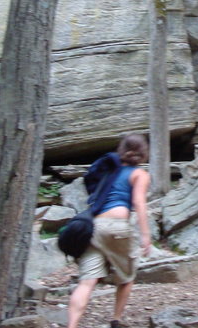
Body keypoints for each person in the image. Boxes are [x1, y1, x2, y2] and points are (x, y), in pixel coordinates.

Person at [68, 133, 152, 328]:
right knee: (126, 277)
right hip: (117, 227)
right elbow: (138, 202)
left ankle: (71, 325)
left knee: (87, 282)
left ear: (121, 149)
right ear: (143, 153)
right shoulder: (140, 174)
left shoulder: (109, 172)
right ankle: (116, 320)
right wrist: (146, 235)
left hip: (94, 228)